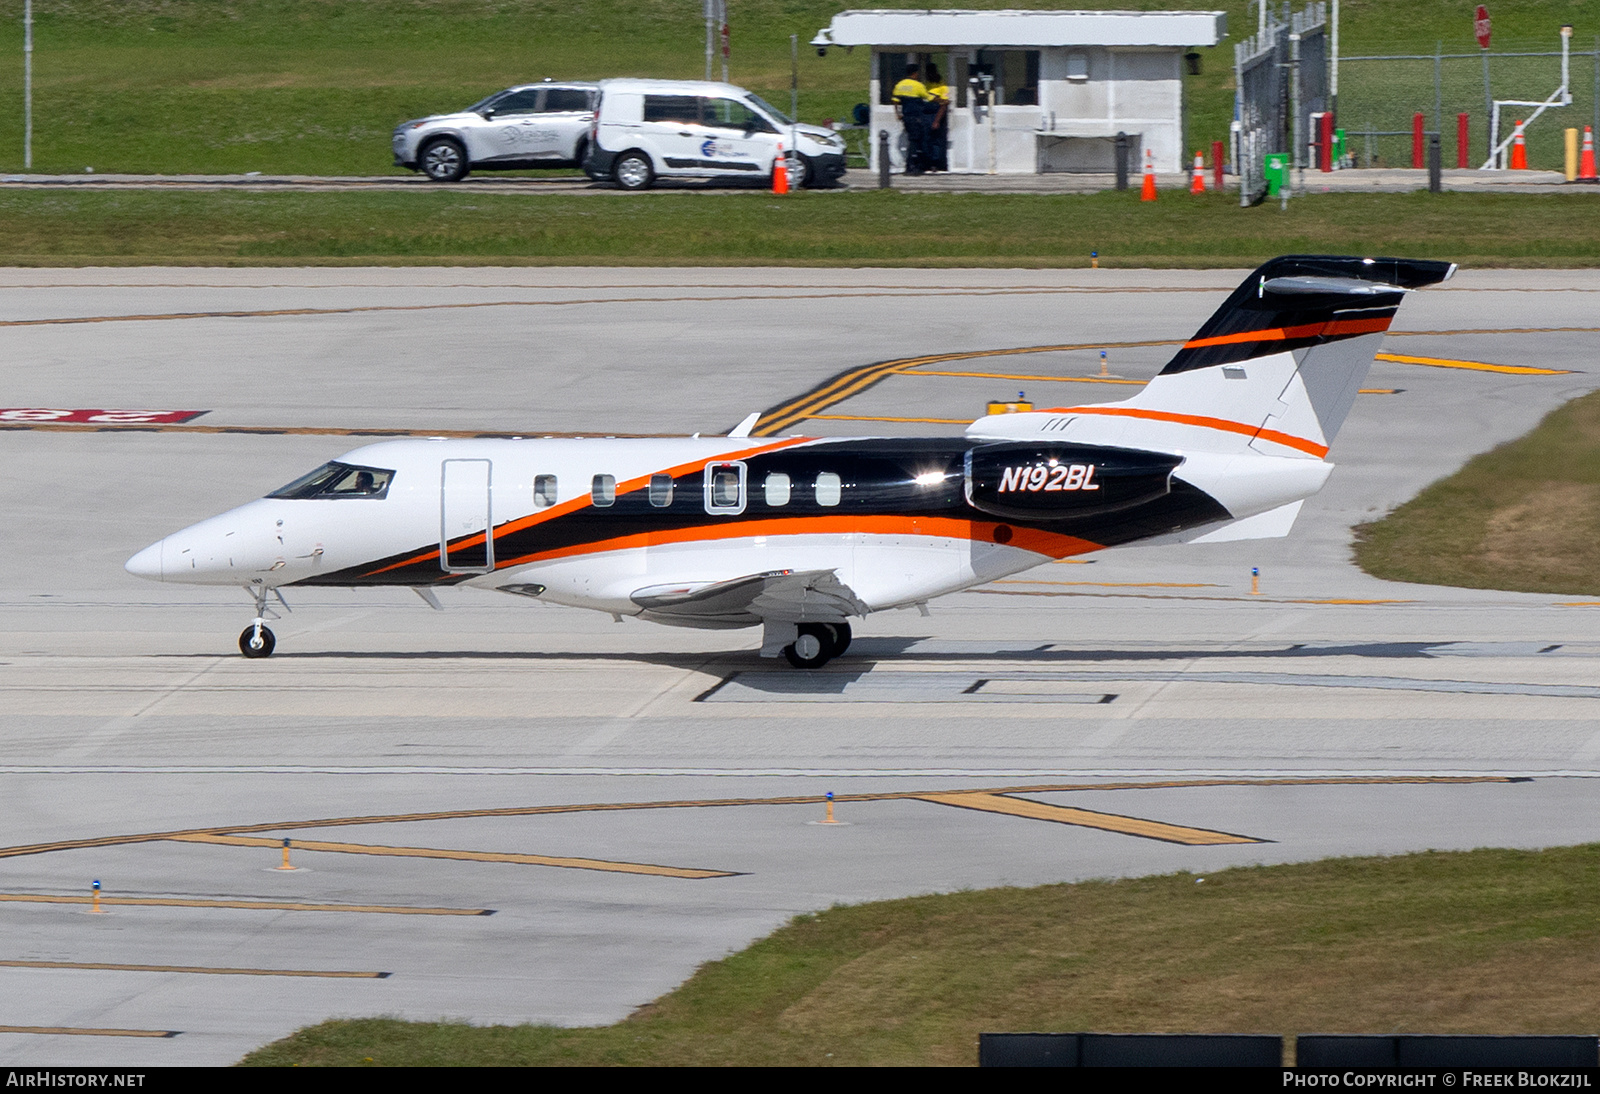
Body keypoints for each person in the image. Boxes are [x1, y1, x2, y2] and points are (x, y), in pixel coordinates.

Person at [891, 62, 930, 175]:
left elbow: (895, 100)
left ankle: (912, 165)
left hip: (906, 117)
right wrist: (941, 101)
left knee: (912, 139)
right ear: (915, 73)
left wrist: (897, 114)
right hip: (916, 117)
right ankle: (912, 166)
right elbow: (927, 98)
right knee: (915, 141)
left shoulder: (900, 85)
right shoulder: (918, 86)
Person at [924, 64, 950, 172]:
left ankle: (937, 163)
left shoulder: (942, 86)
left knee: (937, 142)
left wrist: (937, 121)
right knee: (927, 140)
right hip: (926, 114)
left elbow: (944, 103)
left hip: (937, 114)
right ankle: (927, 163)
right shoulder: (926, 85)